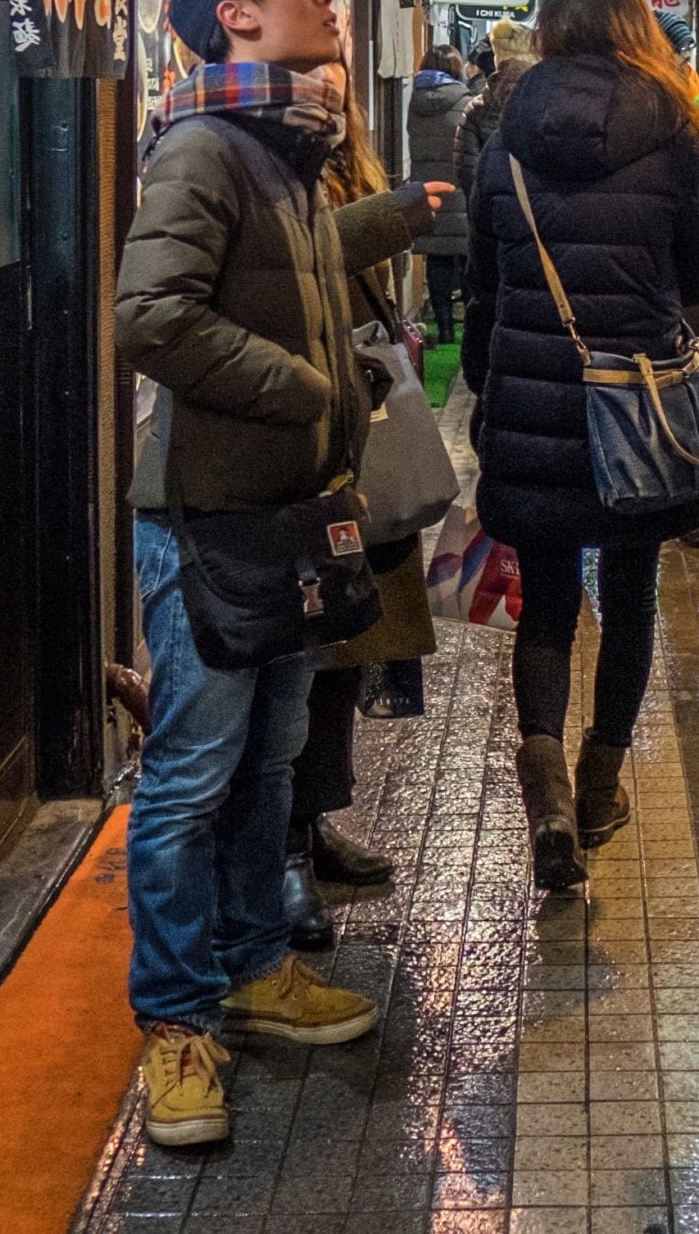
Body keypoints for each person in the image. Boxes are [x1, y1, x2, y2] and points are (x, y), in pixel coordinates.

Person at [114, 0, 381, 1149]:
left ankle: (252, 965)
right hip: (210, 516)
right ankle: (176, 1020)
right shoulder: (208, 147)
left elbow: (282, 293)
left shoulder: (285, 147)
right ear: (236, 12)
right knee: (189, 779)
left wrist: (342, 384)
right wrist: (302, 385)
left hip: (282, 509)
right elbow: (150, 318)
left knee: (268, 762)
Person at [465, 0, 699, 891]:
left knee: (546, 603)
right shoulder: (677, 135)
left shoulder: (504, 141)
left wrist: (492, 393)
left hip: (531, 406)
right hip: (639, 414)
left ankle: (542, 790)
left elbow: (485, 289)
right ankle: (600, 780)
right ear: (634, 29)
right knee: (629, 597)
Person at [285, 87, 447, 951]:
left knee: (348, 646)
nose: (332, 89)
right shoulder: (249, 157)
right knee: (302, 653)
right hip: (301, 437)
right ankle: (281, 855)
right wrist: (394, 215)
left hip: (359, 428)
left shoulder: (347, 160)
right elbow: (291, 261)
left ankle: (312, 824)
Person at [407, 44, 475, 342]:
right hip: (460, 191)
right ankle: (470, 329)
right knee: (467, 261)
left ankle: (445, 330)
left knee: (437, 261)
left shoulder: (413, 102)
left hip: (429, 191)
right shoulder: (466, 101)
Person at [455, 17, 536, 200]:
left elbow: (468, 174)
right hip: (541, 215)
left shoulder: (476, 109)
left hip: (493, 214)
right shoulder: (548, 102)